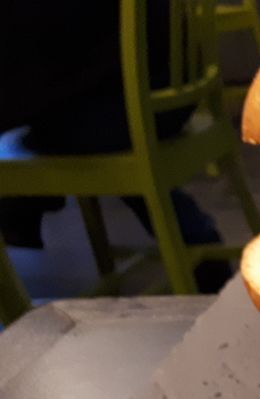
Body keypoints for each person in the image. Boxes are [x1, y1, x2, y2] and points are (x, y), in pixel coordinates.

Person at [0, 2, 230, 292]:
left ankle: (23, 207)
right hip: (172, 88)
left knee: (34, 138)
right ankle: (196, 239)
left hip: (121, 110)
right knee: (39, 127)